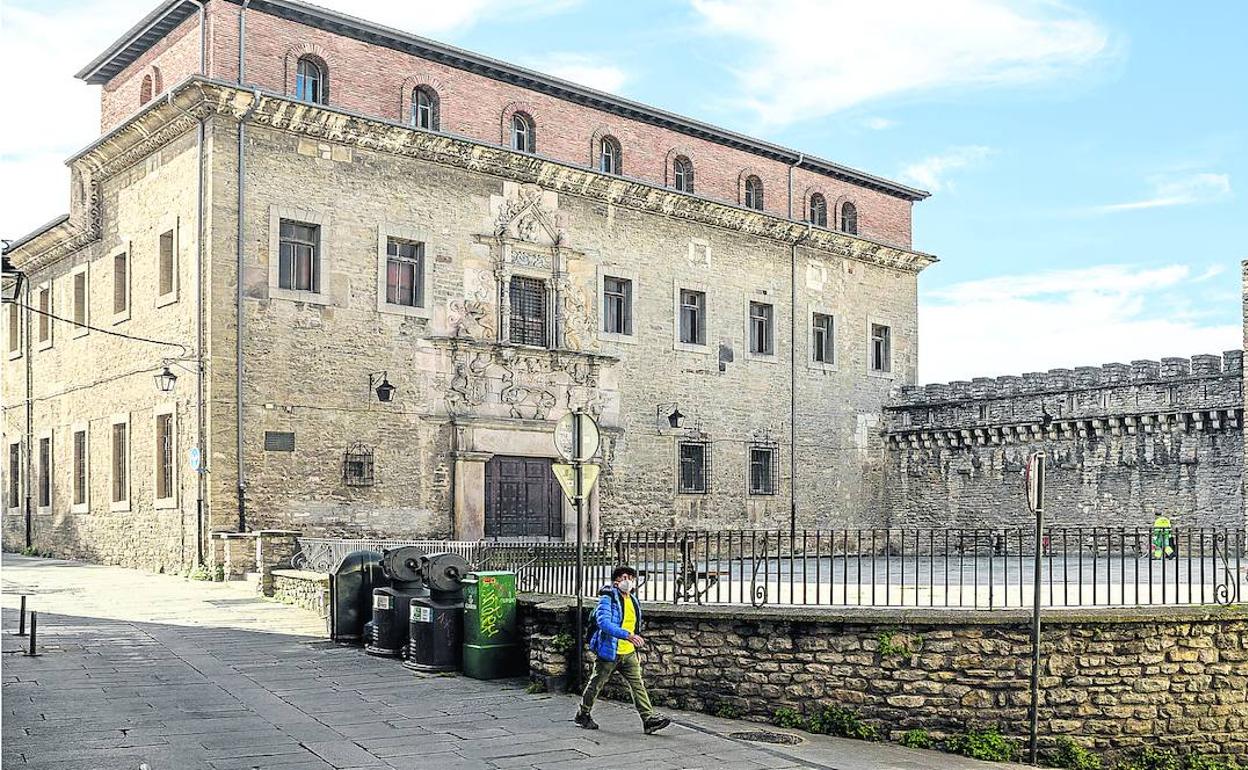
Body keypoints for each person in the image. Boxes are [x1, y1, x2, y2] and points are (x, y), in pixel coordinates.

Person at [574, 565, 671, 735]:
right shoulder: (607, 598)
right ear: (616, 581)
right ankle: (583, 713)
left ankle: (648, 719)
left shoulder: (632, 599)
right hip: (609, 651)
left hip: (628, 652)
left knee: (638, 685)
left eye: (630, 578)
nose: (627, 581)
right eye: (623, 577)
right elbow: (604, 623)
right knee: (596, 684)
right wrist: (627, 635)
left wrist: (633, 640)